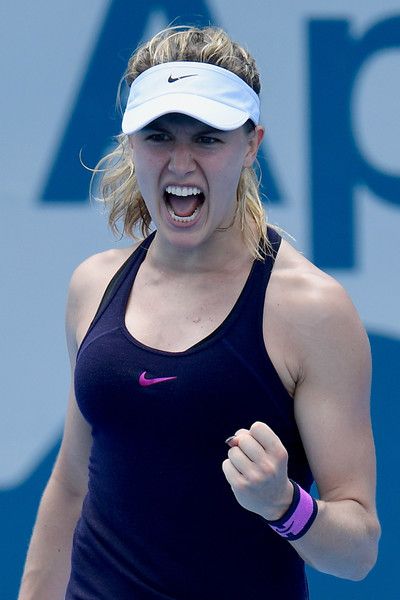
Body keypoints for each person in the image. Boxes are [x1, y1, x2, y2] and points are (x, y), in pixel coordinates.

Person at [18, 25, 380, 600]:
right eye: (159, 136)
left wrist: (286, 506)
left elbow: (359, 550)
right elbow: (69, 486)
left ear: (252, 144)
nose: (181, 162)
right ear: (130, 144)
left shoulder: (312, 311)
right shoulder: (93, 285)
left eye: (208, 138)